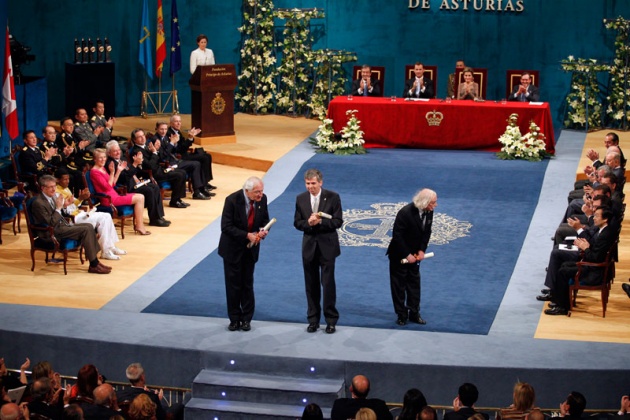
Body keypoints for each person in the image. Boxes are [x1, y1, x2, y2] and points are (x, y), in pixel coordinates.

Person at [540, 206, 617, 315]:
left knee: (563, 271)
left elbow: (595, 258)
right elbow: (594, 250)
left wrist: (585, 247)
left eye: (596, 216)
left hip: (594, 272)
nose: (594, 218)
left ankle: (563, 307)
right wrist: (584, 245)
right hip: (592, 266)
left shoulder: (605, 235)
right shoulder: (603, 230)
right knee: (564, 265)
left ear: (605, 219)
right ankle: (559, 300)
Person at [294, 169, 342, 334]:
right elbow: (297, 222)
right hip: (309, 248)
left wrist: (320, 223)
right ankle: (313, 320)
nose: (310, 187)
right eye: (307, 184)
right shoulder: (300, 199)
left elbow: (338, 221)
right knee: (311, 285)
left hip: (327, 248)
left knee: (328, 285)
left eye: (313, 183)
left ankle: (330, 321)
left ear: (320, 182)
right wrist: (308, 224)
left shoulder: (333, 197)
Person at [218, 176, 270, 332]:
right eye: (257, 192)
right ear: (247, 191)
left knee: (247, 285)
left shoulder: (262, 199)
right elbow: (226, 226)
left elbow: (265, 220)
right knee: (233, 285)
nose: (260, 195)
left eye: (261, 191)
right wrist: (247, 235)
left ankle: (247, 319)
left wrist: (263, 231)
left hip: (250, 250)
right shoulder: (232, 200)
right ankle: (234, 319)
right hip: (232, 250)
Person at [31, 175, 111, 274]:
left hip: (61, 226)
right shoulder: (39, 203)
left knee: (89, 226)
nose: (53, 189)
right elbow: (50, 223)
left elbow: (61, 213)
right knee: (85, 230)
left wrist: (65, 206)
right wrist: (58, 208)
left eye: (54, 186)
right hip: (51, 232)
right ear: (43, 188)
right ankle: (94, 264)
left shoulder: (52, 197)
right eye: (50, 187)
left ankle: (95, 262)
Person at [387, 188, 437, 326]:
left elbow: (427, 232)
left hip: (416, 256)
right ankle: (401, 314)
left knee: (414, 284)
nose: (435, 205)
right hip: (399, 255)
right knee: (399, 286)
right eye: (433, 202)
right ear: (425, 202)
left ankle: (414, 313)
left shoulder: (429, 211)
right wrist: (407, 255)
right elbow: (397, 236)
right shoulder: (405, 213)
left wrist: (422, 250)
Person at [54, 167, 125, 261]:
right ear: (58, 180)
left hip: (79, 213)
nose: (67, 181)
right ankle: (105, 251)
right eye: (65, 179)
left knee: (107, 215)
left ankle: (111, 247)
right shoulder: (56, 192)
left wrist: (81, 198)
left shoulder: (66, 188)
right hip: (72, 219)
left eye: (68, 179)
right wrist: (75, 201)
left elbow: (74, 203)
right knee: (103, 219)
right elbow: (65, 211)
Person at [106, 141, 170, 228]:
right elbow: (124, 177)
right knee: (149, 190)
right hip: (124, 187)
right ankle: (154, 219)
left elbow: (131, 172)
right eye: (115, 151)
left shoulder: (123, 158)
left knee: (155, 187)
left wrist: (138, 174)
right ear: (109, 153)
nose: (118, 152)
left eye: (119, 150)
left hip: (133, 184)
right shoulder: (110, 163)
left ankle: (159, 216)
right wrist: (135, 164)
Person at [89, 148, 150, 235]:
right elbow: (108, 187)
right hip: (108, 199)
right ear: (95, 159)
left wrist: (118, 170)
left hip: (114, 195)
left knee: (140, 195)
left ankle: (139, 225)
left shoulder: (102, 168)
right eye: (100, 158)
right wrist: (111, 172)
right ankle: (139, 226)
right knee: (140, 198)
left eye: (104, 157)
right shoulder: (94, 172)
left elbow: (113, 184)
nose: (103, 159)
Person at [130, 128, 190, 209]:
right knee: (179, 175)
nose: (143, 138)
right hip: (151, 174)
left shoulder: (147, 147)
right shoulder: (136, 151)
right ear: (134, 139)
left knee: (182, 172)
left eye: (143, 135)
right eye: (139, 137)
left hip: (159, 169)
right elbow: (150, 165)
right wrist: (154, 152)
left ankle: (178, 199)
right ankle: (174, 201)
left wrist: (156, 151)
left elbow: (159, 159)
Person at [152, 121, 213, 198]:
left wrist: (175, 143)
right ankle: (197, 191)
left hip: (175, 161)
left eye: (165, 129)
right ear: (156, 129)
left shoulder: (166, 137)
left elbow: (175, 151)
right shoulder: (155, 140)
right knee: (195, 164)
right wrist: (171, 143)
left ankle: (200, 189)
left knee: (197, 163)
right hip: (167, 165)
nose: (164, 131)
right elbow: (163, 156)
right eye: (161, 129)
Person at [166, 115, 216, 192]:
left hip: (185, 154)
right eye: (176, 121)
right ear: (171, 123)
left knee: (207, 155)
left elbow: (183, 146)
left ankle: (205, 181)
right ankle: (204, 184)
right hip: (180, 157)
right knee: (203, 158)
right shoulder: (169, 133)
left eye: (180, 121)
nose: (179, 123)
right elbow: (179, 150)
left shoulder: (178, 131)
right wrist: (189, 138)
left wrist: (190, 138)